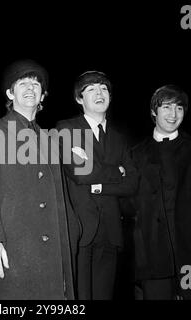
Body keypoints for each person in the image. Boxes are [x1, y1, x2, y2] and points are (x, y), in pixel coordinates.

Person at [0, 59, 75, 299]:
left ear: (43, 96)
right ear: (10, 92)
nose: (30, 88)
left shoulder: (51, 140)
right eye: (23, 83)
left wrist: (73, 231)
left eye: (36, 85)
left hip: (54, 256)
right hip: (11, 250)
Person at [128, 84, 191, 299]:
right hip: (152, 259)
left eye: (179, 108)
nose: (173, 114)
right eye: (166, 107)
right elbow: (127, 202)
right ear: (153, 111)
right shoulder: (135, 155)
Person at [56, 71, 138, 300]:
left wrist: (99, 184)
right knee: (78, 298)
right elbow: (80, 174)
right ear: (79, 99)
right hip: (81, 229)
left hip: (111, 232)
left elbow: (131, 184)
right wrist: (116, 172)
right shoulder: (66, 128)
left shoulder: (120, 138)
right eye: (91, 89)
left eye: (103, 89)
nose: (99, 93)